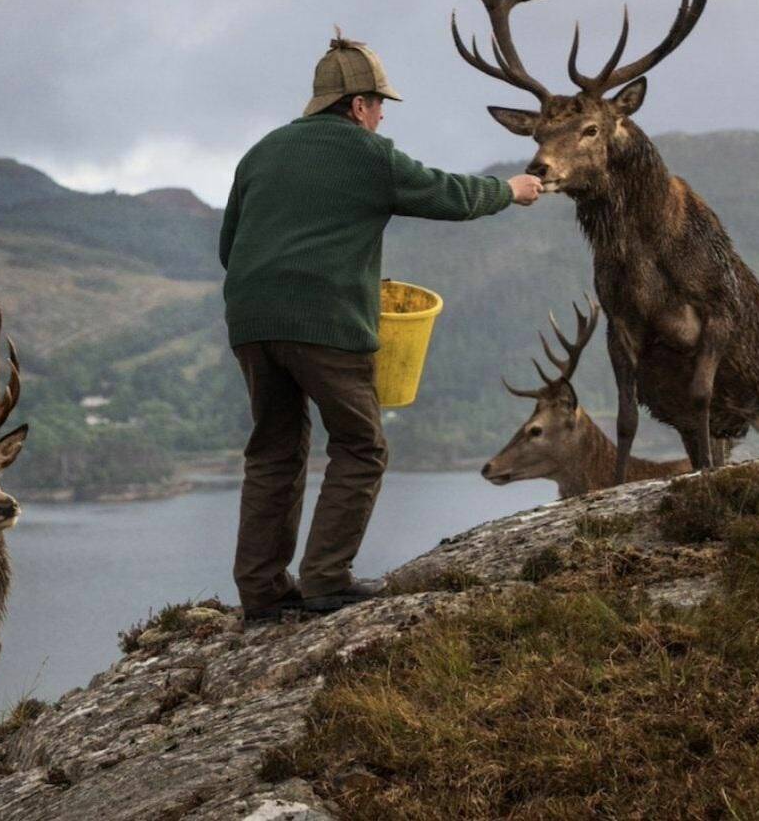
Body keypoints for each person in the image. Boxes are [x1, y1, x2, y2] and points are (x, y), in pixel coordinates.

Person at [218, 31, 543, 622]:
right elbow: (447, 194)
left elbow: (228, 244)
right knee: (361, 445)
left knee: (273, 450)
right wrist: (510, 190)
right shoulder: (367, 153)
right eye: (380, 103)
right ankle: (325, 579)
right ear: (358, 104)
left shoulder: (261, 152)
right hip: (324, 321)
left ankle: (263, 594)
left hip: (252, 321)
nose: (383, 114)